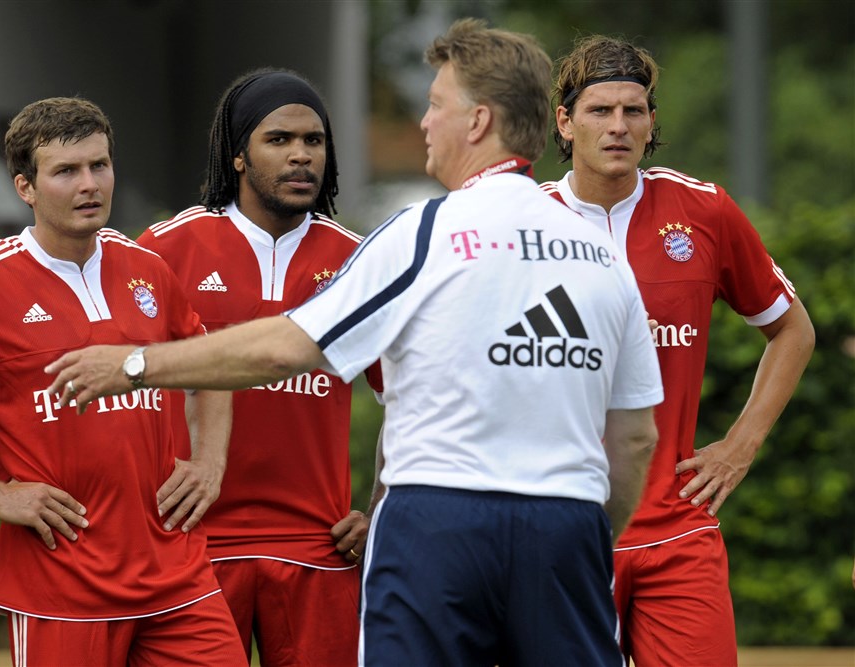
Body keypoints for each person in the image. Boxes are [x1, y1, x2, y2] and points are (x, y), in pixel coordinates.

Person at [47, 19, 664, 666]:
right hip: (565, 525)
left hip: (435, 524)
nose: (424, 123)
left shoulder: (422, 233)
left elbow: (286, 348)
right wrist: (589, 534)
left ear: (477, 121)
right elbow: (634, 439)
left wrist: (136, 364)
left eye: (434, 105)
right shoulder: (601, 254)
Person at [0, 96, 247, 666]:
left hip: (177, 576)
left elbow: (210, 366)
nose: (90, 184)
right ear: (25, 187)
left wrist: (210, 461)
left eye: (100, 165)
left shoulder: (145, 267)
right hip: (61, 587)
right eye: (66, 171)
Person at [541, 35, 816, 667]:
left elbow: (791, 329)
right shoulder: (525, 223)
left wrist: (740, 446)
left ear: (652, 121)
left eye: (633, 111)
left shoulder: (704, 210)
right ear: (565, 121)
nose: (618, 127)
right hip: (560, 535)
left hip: (677, 529)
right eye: (599, 111)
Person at [136, 68, 383, 666]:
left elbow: (419, 396)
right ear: (237, 155)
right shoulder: (164, 251)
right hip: (191, 546)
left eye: (314, 141)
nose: (301, 156)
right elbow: (119, 381)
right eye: (279, 140)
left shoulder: (359, 262)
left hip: (318, 549)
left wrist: (383, 507)